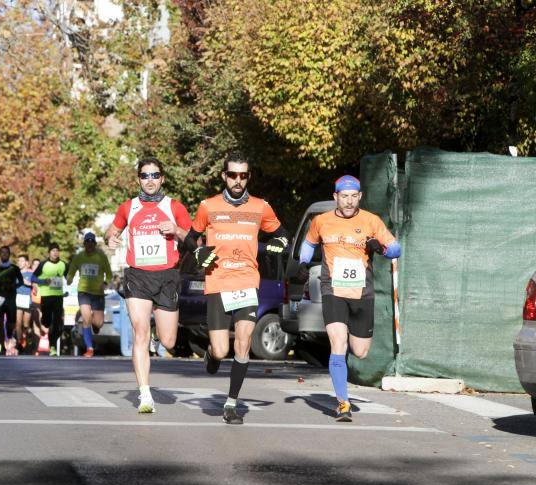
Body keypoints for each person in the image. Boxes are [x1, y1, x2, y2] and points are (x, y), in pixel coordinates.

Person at [183, 152, 291, 424]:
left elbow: (282, 235)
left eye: (243, 175)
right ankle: (211, 354)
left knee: (242, 345)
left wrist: (279, 246)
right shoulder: (208, 206)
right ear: (224, 176)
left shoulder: (260, 207)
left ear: (248, 177)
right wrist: (197, 254)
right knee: (221, 351)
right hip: (219, 282)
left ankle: (231, 404)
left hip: (246, 282)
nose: (238, 180)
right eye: (233, 175)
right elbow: (190, 239)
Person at [295, 175, 400, 421]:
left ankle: (343, 366)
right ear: (336, 198)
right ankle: (343, 403)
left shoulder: (371, 221)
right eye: (344, 196)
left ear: (360, 197)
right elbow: (309, 244)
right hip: (333, 289)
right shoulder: (321, 221)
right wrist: (302, 262)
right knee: (337, 343)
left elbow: (397, 248)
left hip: (362, 291)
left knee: (360, 351)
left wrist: (380, 247)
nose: (349, 201)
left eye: (354, 196)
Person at [105, 157, 192, 413]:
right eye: (145, 176)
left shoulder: (174, 207)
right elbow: (110, 232)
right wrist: (110, 239)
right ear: (138, 179)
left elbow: (194, 242)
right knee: (139, 330)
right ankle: (145, 395)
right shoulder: (128, 207)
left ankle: (158, 332)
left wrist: (176, 230)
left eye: (155, 175)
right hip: (138, 276)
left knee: (169, 340)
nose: (150, 180)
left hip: (167, 277)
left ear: (162, 178)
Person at [66, 232, 113, 357]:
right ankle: (89, 348)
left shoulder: (101, 256)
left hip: (98, 293)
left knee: (98, 323)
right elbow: (72, 270)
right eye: (87, 242)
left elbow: (109, 273)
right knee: (86, 319)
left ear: (95, 244)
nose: (90, 245)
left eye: (92, 242)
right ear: (84, 244)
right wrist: (69, 279)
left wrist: (105, 283)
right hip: (84, 291)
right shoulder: (79, 256)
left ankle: (95, 325)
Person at [0, 246, 25, 356]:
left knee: (11, 323)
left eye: (6, 253)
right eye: (2, 252)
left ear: (9, 254)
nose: (4, 254)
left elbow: (21, 281)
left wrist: (14, 286)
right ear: (0, 255)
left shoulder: (14, 268)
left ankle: (9, 333)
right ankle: (2, 347)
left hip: (11, 296)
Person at [32, 244, 67, 356]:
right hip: (46, 297)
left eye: (57, 250)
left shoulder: (63, 264)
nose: (55, 253)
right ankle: (45, 322)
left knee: (57, 322)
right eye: (53, 251)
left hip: (58, 297)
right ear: (49, 252)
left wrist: (70, 283)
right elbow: (33, 277)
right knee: (46, 322)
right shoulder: (43, 264)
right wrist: (42, 282)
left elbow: (69, 277)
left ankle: (52, 346)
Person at [15, 254, 34, 351]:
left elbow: (35, 286)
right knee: (18, 323)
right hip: (18, 298)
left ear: (26, 263)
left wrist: (28, 283)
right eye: (18, 261)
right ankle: (19, 341)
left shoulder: (31, 274)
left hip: (27, 299)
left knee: (25, 324)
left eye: (22, 261)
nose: (19, 263)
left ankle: (26, 335)